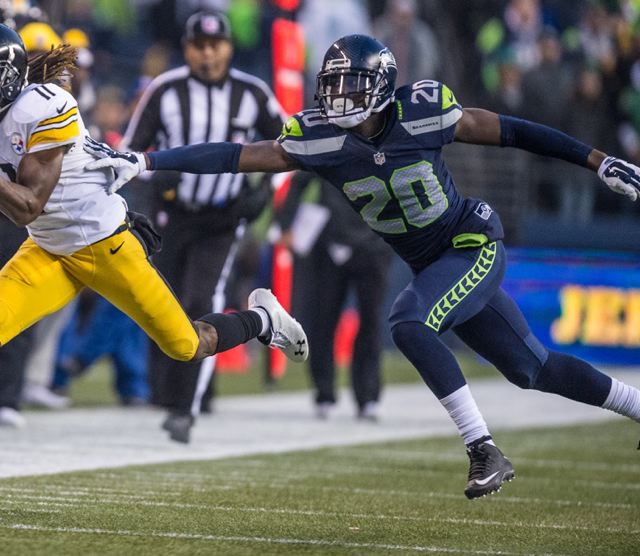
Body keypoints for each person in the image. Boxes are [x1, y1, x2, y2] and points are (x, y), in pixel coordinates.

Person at [84, 34, 640, 500]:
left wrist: (599, 160)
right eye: (331, 84)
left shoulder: (425, 112)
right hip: (430, 263)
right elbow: (236, 154)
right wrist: (148, 160)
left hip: (470, 240)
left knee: (407, 323)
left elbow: (515, 131)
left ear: (381, 85)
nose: (338, 96)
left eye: (350, 83)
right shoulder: (321, 138)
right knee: (531, 370)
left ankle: (483, 448)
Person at [0, 21, 307, 502]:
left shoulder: (46, 107)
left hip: (104, 245)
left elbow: (26, 204)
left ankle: (262, 319)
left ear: (9, 75)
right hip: (49, 247)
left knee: (187, 345)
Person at [120, 10, 285, 443]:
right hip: (171, 216)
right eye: (199, 46)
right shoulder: (165, 89)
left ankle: (186, 406)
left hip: (222, 217)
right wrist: (159, 177)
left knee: (203, 296)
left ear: (229, 47)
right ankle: (171, 392)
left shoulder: (252, 92)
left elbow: (291, 149)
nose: (208, 54)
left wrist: (264, 191)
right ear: (187, 48)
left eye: (215, 45)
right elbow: (129, 153)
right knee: (166, 302)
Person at [277, 171, 391, 420]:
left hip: (374, 243)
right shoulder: (329, 139)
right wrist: (286, 224)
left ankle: (368, 396)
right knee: (324, 320)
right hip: (331, 243)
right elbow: (298, 181)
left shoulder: (385, 142)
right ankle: (324, 393)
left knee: (371, 322)